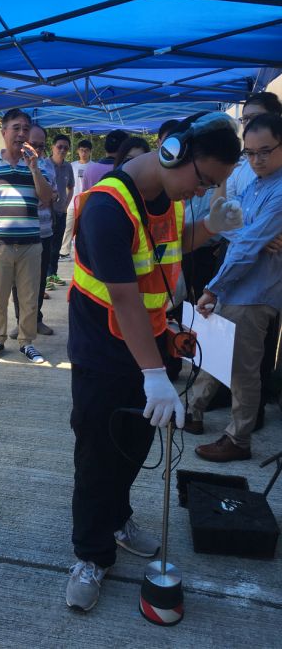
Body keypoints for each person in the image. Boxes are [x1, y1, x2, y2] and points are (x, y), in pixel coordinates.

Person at [63, 111, 242, 612]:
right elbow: (123, 296)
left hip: (152, 344)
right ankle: (90, 555)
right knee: (97, 454)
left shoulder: (167, 199)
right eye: (204, 180)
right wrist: (154, 376)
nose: (202, 191)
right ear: (172, 152)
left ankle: (117, 518)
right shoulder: (106, 207)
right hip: (105, 353)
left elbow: (167, 249)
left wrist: (208, 226)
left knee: (133, 448)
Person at [186, 112, 282, 459]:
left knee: (242, 370)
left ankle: (239, 439)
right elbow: (227, 225)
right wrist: (255, 237)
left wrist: (213, 287)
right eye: (250, 152)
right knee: (214, 353)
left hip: (255, 292)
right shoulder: (257, 183)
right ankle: (194, 410)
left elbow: (243, 244)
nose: (256, 159)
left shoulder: (279, 190)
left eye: (265, 151)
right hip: (234, 284)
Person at [0, 109, 53, 364]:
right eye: (16, 128)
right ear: (4, 132)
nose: (21, 133)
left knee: (29, 299)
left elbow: (47, 198)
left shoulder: (38, 164)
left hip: (30, 244)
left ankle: (27, 342)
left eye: (25, 128)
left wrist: (35, 168)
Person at [9, 124, 58, 338]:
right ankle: (21, 322)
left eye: (41, 146)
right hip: (19, 233)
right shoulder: (14, 166)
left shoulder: (46, 166)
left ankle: (35, 319)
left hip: (43, 231)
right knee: (17, 283)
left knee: (38, 281)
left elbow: (51, 195)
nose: (36, 150)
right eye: (33, 144)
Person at [59, 139, 97, 259]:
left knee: (88, 228)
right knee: (68, 228)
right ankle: (64, 252)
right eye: (81, 150)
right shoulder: (72, 166)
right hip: (72, 203)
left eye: (86, 151)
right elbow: (66, 184)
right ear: (77, 151)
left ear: (90, 152)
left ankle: (88, 251)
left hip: (88, 203)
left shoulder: (94, 166)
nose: (84, 153)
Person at [46, 134, 73, 288]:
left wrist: (65, 205)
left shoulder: (68, 167)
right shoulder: (44, 164)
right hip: (47, 213)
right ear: (53, 147)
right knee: (46, 245)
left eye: (65, 148)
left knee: (57, 246)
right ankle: (45, 277)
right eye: (59, 147)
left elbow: (71, 187)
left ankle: (53, 274)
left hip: (61, 212)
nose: (62, 150)